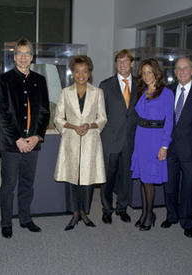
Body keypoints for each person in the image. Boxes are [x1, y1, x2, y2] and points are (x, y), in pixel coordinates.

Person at [0, 38, 50, 239]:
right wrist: (18, 139)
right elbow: (3, 113)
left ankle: (26, 218)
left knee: (28, 183)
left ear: (32, 56)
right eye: (19, 53)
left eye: (27, 53)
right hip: (12, 144)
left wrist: (37, 137)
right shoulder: (4, 79)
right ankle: (5, 222)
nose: (23, 57)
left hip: (33, 143)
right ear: (14, 56)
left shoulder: (40, 79)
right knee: (8, 185)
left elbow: (44, 111)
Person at [54, 55, 107, 230]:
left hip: (91, 139)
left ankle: (85, 212)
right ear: (72, 73)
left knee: (88, 179)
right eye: (77, 71)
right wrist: (73, 126)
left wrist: (90, 125)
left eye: (84, 71)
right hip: (71, 140)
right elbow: (58, 118)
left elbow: (102, 118)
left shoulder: (97, 92)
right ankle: (75, 213)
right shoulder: (65, 93)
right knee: (72, 178)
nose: (81, 75)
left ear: (90, 72)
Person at [131, 58, 174, 231]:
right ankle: (144, 213)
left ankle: (149, 215)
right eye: (144, 72)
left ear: (157, 72)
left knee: (149, 179)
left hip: (155, 139)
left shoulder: (166, 93)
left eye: (150, 72)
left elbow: (169, 121)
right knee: (143, 179)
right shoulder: (142, 90)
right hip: (141, 137)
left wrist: (164, 146)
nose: (147, 75)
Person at [99, 49, 138, 224]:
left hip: (131, 140)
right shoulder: (105, 85)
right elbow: (99, 114)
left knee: (126, 177)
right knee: (107, 176)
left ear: (132, 63)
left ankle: (122, 208)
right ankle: (107, 209)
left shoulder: (141, 85)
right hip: (110, 140)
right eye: (119, 61)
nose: (122, 64)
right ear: (116, 64)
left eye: (125, 61)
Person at [161, 57, 192, 238]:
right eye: (178, 69)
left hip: (190, 150)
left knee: (188, 187)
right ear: (175, 72)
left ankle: (187, 221)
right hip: (170, 148)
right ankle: (171, 216)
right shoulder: (169, 92)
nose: (182, 72)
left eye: (185, 68)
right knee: (170, 185)